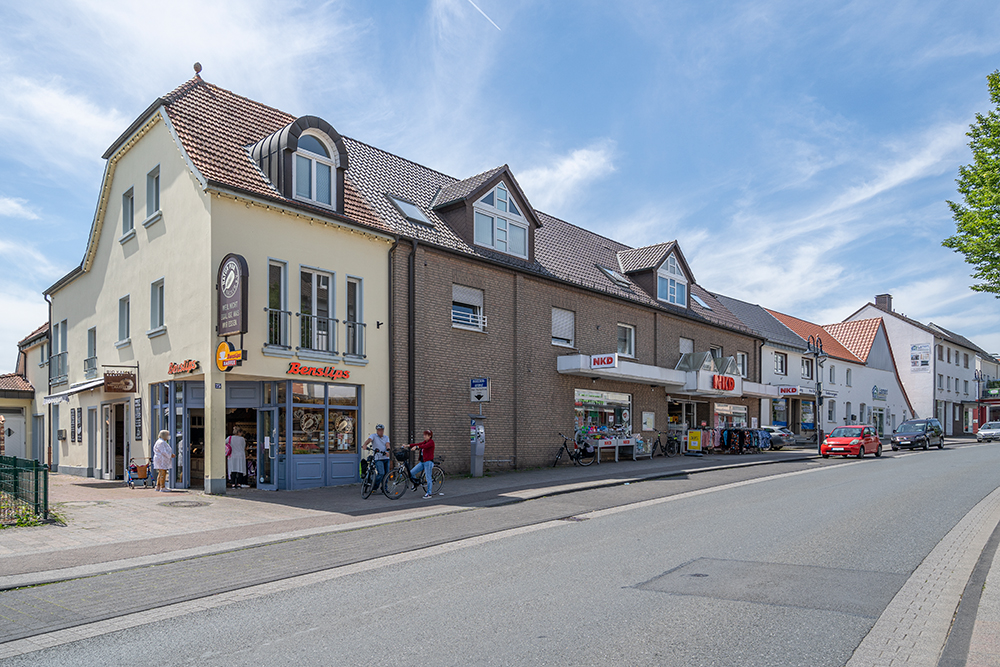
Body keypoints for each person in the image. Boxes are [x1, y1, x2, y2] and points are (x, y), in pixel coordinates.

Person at [408, 429, 435, 499]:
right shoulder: (425, 442)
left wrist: (417, 447)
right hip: (422, 462)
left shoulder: (431, 443)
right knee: (411, 472)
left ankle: (429, 493)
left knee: (428, 477)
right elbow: (418, 444)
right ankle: (416, 484)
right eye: (424, 435)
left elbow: (424, 446)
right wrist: (408, 445)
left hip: (428, 462)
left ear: (430, 436)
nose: (424, 436)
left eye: (425, 435)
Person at [362, 424, 390, 490]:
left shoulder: (386, 437)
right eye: (379, 430)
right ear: (377, 431)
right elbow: (369, 440)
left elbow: (387, 444)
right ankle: (374, 487)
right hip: (378, 458)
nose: (380, 431)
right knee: (381, 473)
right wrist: (365, 445)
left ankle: (384, 489)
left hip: (386, 458)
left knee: (386, 475)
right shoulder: (373, 436)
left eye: (382, 430)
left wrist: (387, 450)